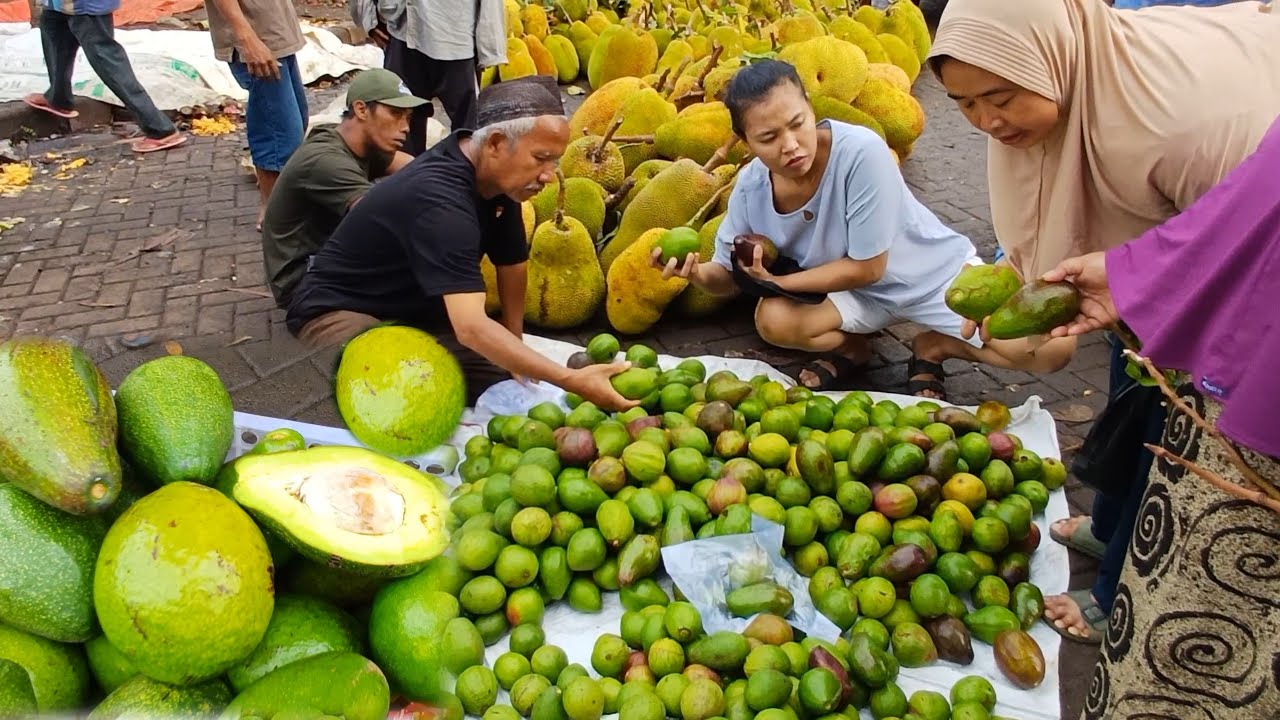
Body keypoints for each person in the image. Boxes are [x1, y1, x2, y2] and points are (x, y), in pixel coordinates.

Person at [918, 0, 1280, 644]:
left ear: (1048, 65)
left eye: (1000, 96)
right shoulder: (1075, 79)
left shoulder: (1173, 126)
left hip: (1240, 274)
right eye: (964, 104)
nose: (986, 121)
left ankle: (1116, 590)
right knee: (1126, 390)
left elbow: (1235, 249)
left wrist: (1150, 296)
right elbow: (1055, 215)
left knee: (1170, 437)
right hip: (1153, 259)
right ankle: (1110, 525)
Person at [1043, 113, 1280, 720]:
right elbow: (1259, 191)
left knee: (1219, 647)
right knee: (1167, 596)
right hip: (1234, 389)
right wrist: (1138, 274)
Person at [284, 76, 635, 412]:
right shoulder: (441, 202)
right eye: (540, 158)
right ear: (496, 144)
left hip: (415, 315)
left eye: (554, 161)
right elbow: (469, 327)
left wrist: (514, 343)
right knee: (392, 396)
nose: (549, 174)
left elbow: (512, 264)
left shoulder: (501, 182)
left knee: (502, 377)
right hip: (340, 312)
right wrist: (569, 380)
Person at [654, 59, 983, 393]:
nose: (791, 146)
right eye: (769, 138)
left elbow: (869, 267)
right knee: (774, 321)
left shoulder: (861, 153)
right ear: (745, 141)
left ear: (811, 108)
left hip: (928, 278)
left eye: (798, 124)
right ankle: (852, 350)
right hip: (858, 296)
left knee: (1031, 351)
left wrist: (779, 280)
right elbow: (726, 278)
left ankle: (934, 347)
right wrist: (694, 274)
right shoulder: (751, 187)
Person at [261, 69, 424, 309]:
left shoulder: (355, 141)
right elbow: (383, 219)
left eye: (408, 117)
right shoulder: (326, 160)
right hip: (302, 281)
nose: (406, 127)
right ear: (360, 110)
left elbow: (417, 170)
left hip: (331, 259)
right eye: (396, 113)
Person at [23, 0, 186, 153]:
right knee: (54, 27)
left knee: (105, 57)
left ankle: (159, 128)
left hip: (84, 5)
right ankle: (58, 98)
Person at [349, 0, 507, 154]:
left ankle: (462, 176)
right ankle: (406, 176)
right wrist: (368, 17)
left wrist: (490, 48)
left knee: (467, 132)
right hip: (401, 33)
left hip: (454, 39)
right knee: (400, 123)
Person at [205, 0, 308, 230]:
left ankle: (281, 209)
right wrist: (247, 38)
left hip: (276, 35)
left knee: (294, 124)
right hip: (257, 40)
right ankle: (274, 212)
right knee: (279, 131)